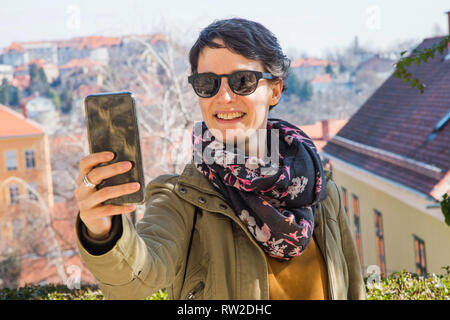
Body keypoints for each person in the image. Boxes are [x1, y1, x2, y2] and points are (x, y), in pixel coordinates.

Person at [74, 17, 366, 300]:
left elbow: (352, 289)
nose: (223, 97)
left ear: (274, 90)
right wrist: (102, 230)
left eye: (242, 81)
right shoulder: (180, 198)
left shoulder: (319, 190)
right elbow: (137, 281)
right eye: (207, 83)